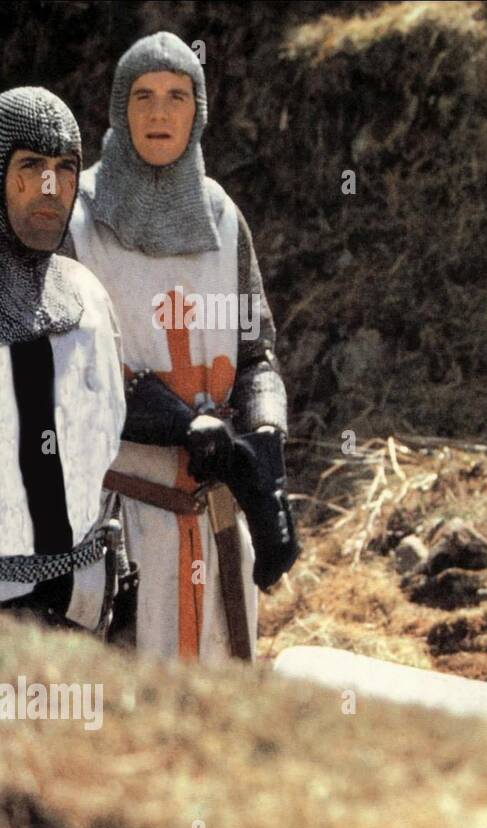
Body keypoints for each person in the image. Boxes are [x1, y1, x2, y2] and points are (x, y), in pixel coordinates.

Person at [66, 32, 297, 662]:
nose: (160, 113)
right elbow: (67, 369)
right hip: (118, 523)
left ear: (198, 111)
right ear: (120, 108)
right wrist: (181, 424)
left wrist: (268, 467)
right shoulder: (78, 221)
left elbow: (258, 358)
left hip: (216, 523)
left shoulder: (222, 217)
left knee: (216, 719)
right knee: (127, 727)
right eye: (143, 96)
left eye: (176, 96)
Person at [0, 87, 125, 634]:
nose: (50, 188)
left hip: (83, 597)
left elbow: (104, 441)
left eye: (65, 168)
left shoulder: (90, 299)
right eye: (30, 166)